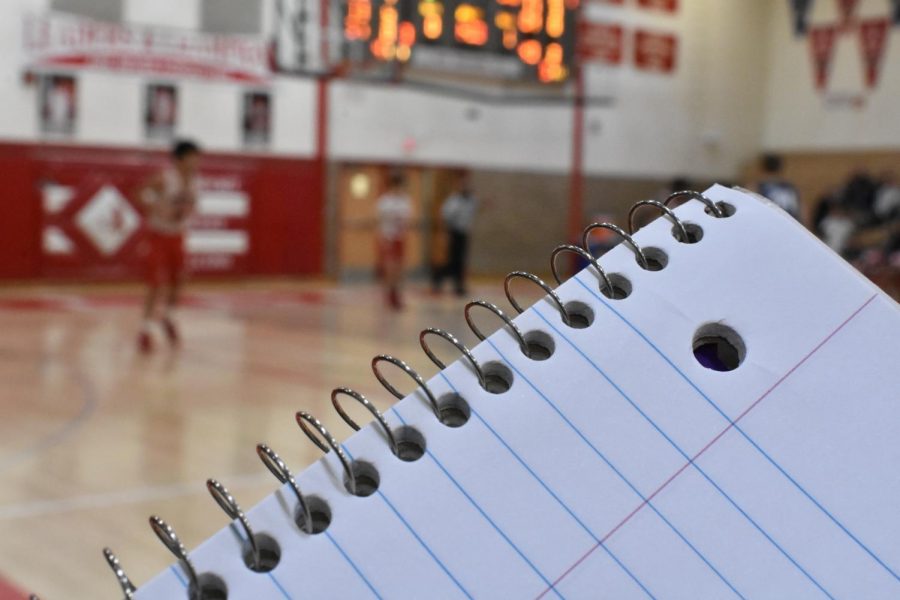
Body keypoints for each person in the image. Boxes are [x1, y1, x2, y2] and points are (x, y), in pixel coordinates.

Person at [136, 140, 201, 353]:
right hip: (158, 235)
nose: (197, 161)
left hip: (177, 235)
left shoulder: (195, 181)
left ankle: (168, 317)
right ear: (180, 159)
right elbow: (139, 192)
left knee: (179, 280)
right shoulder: (164, 178)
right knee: (155, 283)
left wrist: (186, 211)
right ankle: (145, 330)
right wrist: (153, 206)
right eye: (193, 156)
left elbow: (193, 205)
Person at [432, 175, 479, 296]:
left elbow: (473, 211)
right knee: (452, 260)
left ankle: (459, 286)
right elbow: (445, 216)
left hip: (464, 233)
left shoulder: (471, 199)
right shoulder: (454, 200)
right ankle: (437, 279)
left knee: (460, 260)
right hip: (454, 232)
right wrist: (445, 233)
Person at [376, 172, 413, 310]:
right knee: (390, 268)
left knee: (400, 268)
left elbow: (407, 221)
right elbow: (379, 221)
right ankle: (389, 294)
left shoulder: (405, 201)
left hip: (400, 238)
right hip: (389, 237)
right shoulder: (385, 202)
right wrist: (384, 238)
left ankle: (398, 294)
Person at [757, 154, 801, 220]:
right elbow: (801, 210)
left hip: (771, 223)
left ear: (762, 168)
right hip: (790, 224)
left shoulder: (759, 187)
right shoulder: (790, 187)